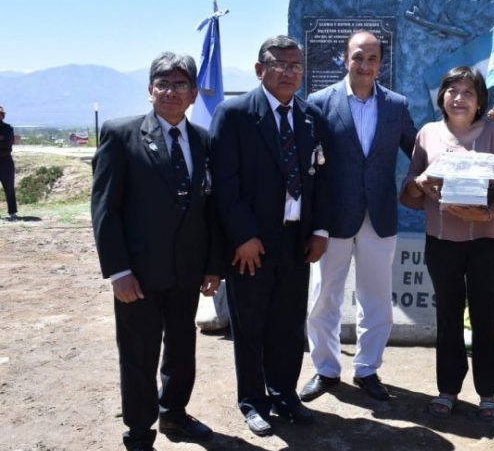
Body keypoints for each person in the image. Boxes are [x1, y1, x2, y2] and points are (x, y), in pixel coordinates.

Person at [90, 52, 224, 451]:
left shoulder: (202, 140)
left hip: (187, 272)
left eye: (180, 84)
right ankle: (139, 429)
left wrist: (213, 266)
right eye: (162, 84)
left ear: (193, 93)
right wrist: (118, 272)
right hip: (138, 275)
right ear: (150, 90)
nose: (170, 91)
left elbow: (210, 208)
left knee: (182, 349)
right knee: (138, 354)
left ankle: (175, 414)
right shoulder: (121, 134)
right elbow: (105, 209)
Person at [210, 35, 330, 436]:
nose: (288, 71)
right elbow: (225, 183)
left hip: (297, 241)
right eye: (279, 64)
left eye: (296, 65)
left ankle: (284, 394)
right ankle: (253, 401)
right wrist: (243, 235)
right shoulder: (235, 114)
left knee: (289, 323)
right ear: (260, 69)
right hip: (252, 245)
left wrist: (319, 230)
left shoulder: (311, 116)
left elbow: (321, 179)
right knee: (250, 326)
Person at [399, 66, 494, 422]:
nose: (459, 98)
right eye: (452, 90)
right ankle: (448, 389)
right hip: (441, 242)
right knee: (448, 317)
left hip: (487, 242)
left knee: (485, 318)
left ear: (479, 101)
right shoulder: (426, 134)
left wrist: (487, 213)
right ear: (442, 97)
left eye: (468, 92)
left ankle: (488, 392)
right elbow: (409, 190)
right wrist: (422, 181)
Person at [302, 30, 418, 403]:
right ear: (345, 58)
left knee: (377, 298)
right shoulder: (320, 102)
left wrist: (475, 132)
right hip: (332, 220)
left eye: (371, 58)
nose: (364, 65)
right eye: (357, 57)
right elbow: (308, 165)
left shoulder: (396, 105)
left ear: (380, 63)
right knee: (324, 297)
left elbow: (419, 150)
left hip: (379, 216)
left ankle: (367, 368)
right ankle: (326, 368)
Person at [0, 105, 19, 221]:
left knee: (9, 187)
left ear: (2, 116)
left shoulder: (8, 129)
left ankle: (12, 212)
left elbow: (7, 144)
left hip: (5, 160)